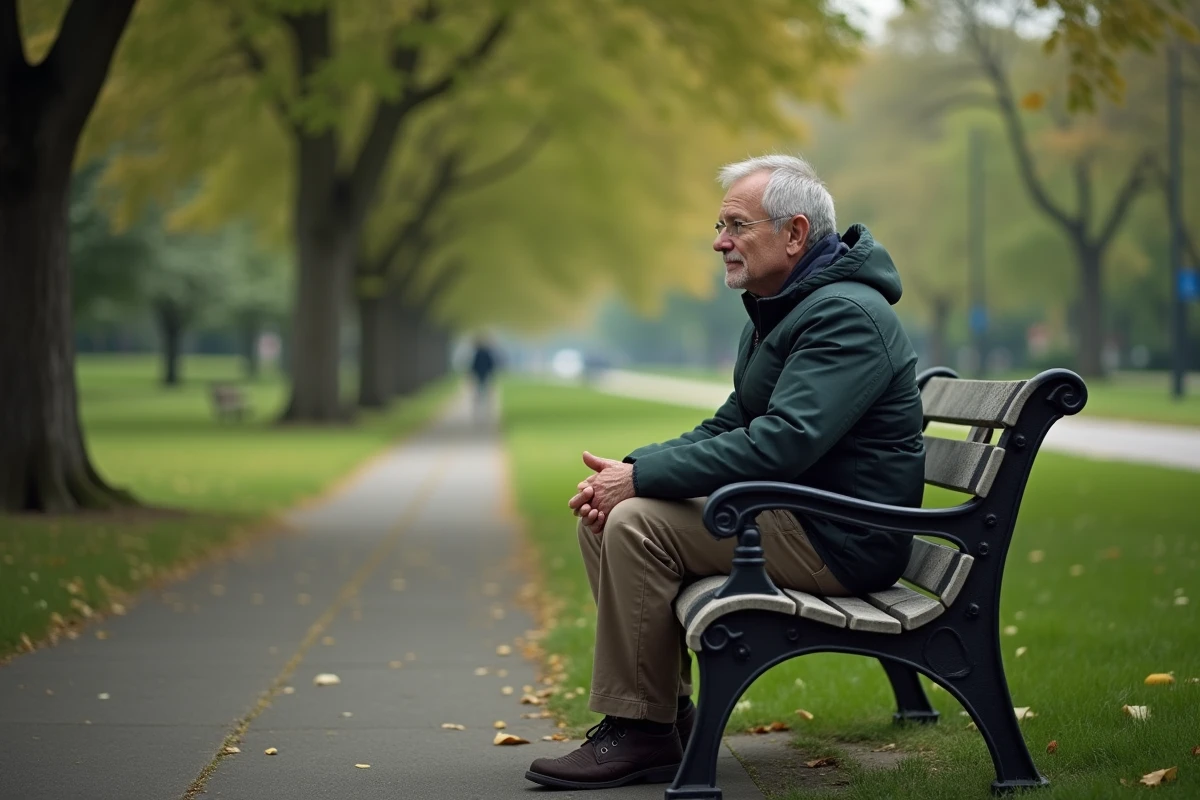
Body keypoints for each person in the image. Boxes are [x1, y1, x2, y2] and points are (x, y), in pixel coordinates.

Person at [524, 154, 926, 790]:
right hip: (799, 515)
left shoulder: (844, 315)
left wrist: (640, 484)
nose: (720, 241)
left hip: (841, 536)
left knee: (634, 524)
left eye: (736, 226)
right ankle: (664, 716)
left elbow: (781, 444)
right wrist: (631, 469)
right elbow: (729, 425)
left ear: (794, 234)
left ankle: (642, 731)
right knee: (607, 519)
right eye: (720, 226)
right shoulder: (781, 309)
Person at [468, 335, 499, 415]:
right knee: (485, 388)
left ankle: (480, 401)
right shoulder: (487, 353)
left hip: (479, 373)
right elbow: (491, 364)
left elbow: (473, 365)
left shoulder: (477, 353)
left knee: (480, 388)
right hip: (485, 373)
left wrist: (472, 373)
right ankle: (484, 402)